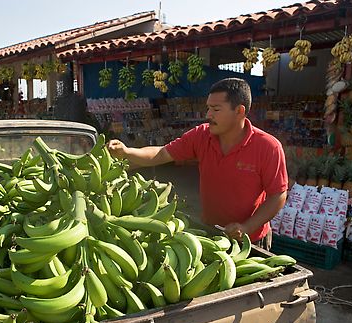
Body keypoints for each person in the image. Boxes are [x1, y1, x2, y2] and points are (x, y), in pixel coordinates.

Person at [107, 77, 288, 250]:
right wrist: (127, 151)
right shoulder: (201, 135)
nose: (208, 115)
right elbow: (161, 153)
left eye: (216, 109)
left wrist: (247, 227)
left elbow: (277, 195)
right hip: (210, 232)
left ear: (239, 111)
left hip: (251, 239)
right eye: (208, 108)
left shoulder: (268, 147)